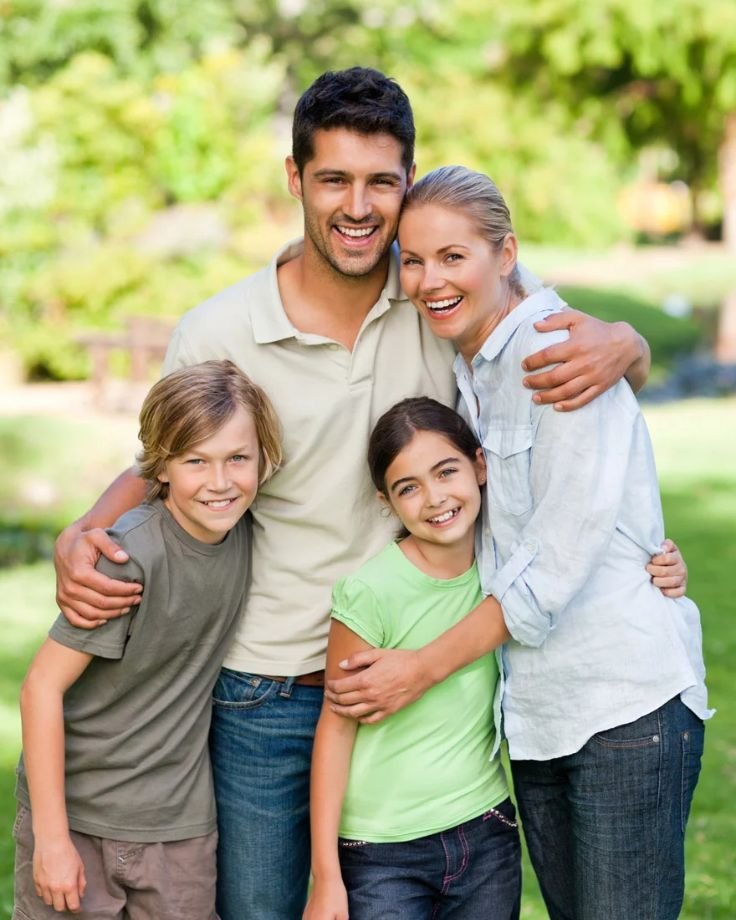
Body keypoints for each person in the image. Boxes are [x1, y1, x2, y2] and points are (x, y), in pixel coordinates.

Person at [52, 68, 685, 919]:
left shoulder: (438, 302)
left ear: (408, 181)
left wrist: (626, 342)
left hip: (429, 676)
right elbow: (163, 459)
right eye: (334, 180)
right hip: (268, 688)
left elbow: (555, 359)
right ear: (295, 179)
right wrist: (85, 527)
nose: (358, 205)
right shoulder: (221, 329)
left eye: (382, 181)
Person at [330, 165, 712, 920]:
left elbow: (555, 570)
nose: (430, 278)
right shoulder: (475, 359)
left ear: (505, 255)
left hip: (621, 707)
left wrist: (418, 670)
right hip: (538, 717)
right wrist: (631, 341)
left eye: (452, 257)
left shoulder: (554, 355)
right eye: (413, 259)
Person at [13, 360, 281, 919]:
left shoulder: (248, 533)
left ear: (264, 459)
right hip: (81, 818)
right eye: (195, 462)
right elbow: (41, 687)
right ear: (161, 467)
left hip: (179, 827)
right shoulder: (126, 558)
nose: (220, 482)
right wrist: (52, 839)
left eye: (238, 458)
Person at [305, 397, 520, 920]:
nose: (434, 498)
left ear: (480, 465)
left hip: (486, 832)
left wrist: (661, 568)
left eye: (446, 472)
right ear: (388, 501)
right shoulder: (371, 592)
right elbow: (335, 731)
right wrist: (326, 877)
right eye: (409, 487)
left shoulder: (506, 570)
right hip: (381, 855)